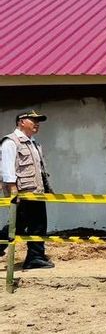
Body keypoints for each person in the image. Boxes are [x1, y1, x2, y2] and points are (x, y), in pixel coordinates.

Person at [0, 110, 54, 269]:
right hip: (23, 192)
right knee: (33, 224)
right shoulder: (11, 142)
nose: (37, 124)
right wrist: (13, 190)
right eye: (33, 120)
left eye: (38, 121)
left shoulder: (34, 143)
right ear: (21, 121)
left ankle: (35, 256)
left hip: (35, 191)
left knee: (21, 223)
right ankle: (35, 258)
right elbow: (7, 168)